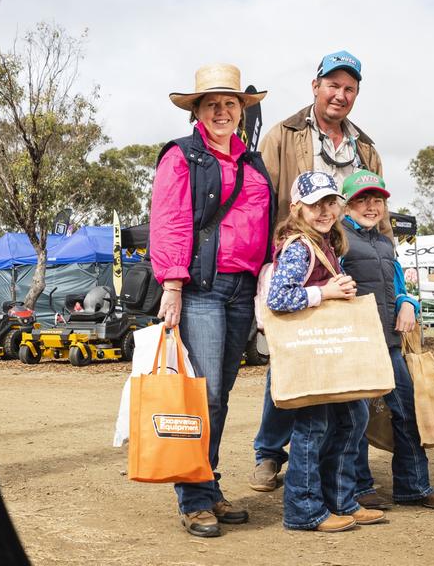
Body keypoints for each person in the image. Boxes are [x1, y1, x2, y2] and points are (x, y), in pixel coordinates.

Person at [149, 63, 275, 538]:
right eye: (211, 104)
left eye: (230, 104)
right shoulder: (182, 157)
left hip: (243, 288)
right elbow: (171, 220)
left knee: (221, 397)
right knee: (203, 396)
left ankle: (207, 482)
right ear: (197, 112)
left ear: (242, 111)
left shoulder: (253, 162)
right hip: (201, 286)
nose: (222, 111)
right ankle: (195, 499)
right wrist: (173, 284)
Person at [251, 49, 384, 492]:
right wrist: (269, 261)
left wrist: (390, 264)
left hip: (347, 259)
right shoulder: (282, 135)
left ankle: (348, 476)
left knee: (348, 365)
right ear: (316, 86)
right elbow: (260, 200)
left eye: (349, 89)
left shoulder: (365, 147)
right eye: (333, 85)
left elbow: (377, 210)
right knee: (290, 359)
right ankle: (269, 454)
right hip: (299, 257)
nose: (340, 95)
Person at [263, 171, 381, 532]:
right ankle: (304, 510)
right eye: (315, 204)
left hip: (326, 350)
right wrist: (326, 293)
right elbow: (278, 299)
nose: (324, 210)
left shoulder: (325, 242)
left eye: (330, 202)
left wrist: (337, 286)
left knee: (352, 418)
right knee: (314, 427)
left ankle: (341, 500)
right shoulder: (300, 246)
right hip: (312, 351)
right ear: (297, 207)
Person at [339, 170, 434, 511]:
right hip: (357, 344)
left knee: (408, 411)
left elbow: (400, 288)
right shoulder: (338, 240)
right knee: (357, 419)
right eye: (362, 199)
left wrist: (409, 303)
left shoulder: (384, 241)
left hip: (390, 344)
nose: (371, 206)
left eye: (376, 200)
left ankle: (414, 486)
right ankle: (360, 489)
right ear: (347, 205)